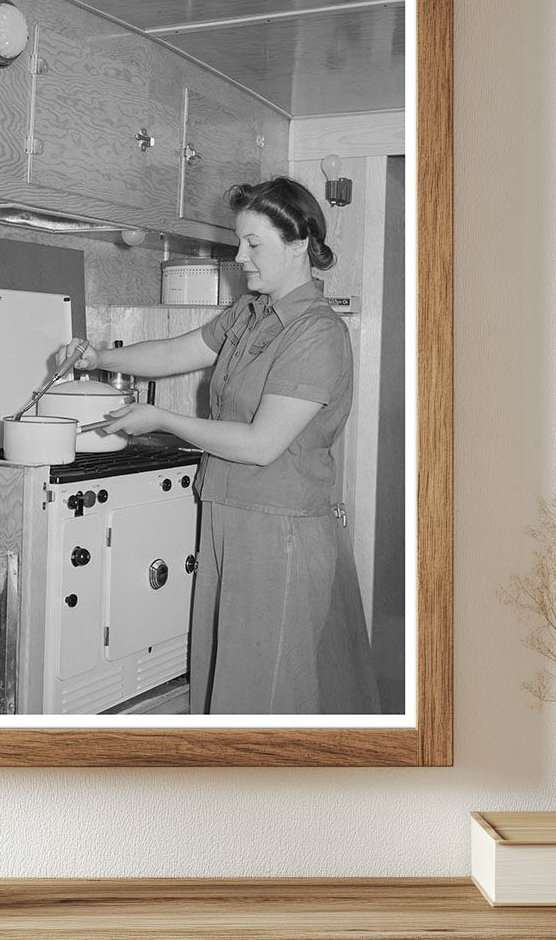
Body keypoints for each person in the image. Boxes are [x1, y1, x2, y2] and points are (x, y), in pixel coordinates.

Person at [57, 177, 379, 715]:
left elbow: (260, 444)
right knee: (228, 676)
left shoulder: (318, 334)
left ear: (299, 243)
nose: (239, 256)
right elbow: (174, 353)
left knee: (268, 693)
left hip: (281, 528)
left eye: (253, 244)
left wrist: (162, 418)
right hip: (228, 514)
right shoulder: (249, 313)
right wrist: (97, 359)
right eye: (239, 242)